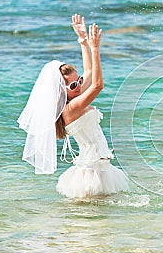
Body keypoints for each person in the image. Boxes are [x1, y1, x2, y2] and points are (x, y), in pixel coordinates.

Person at [18, 14, 128, 198]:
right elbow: (98, 85)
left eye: (79, 81)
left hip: (100, 168)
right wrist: (96, 49)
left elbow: (90, 72)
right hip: (91, 173)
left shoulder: (72, 97)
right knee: (91, 223)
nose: (79, 86)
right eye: (74, 85)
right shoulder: (70, 109)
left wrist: (83, 41)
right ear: (62, 90)